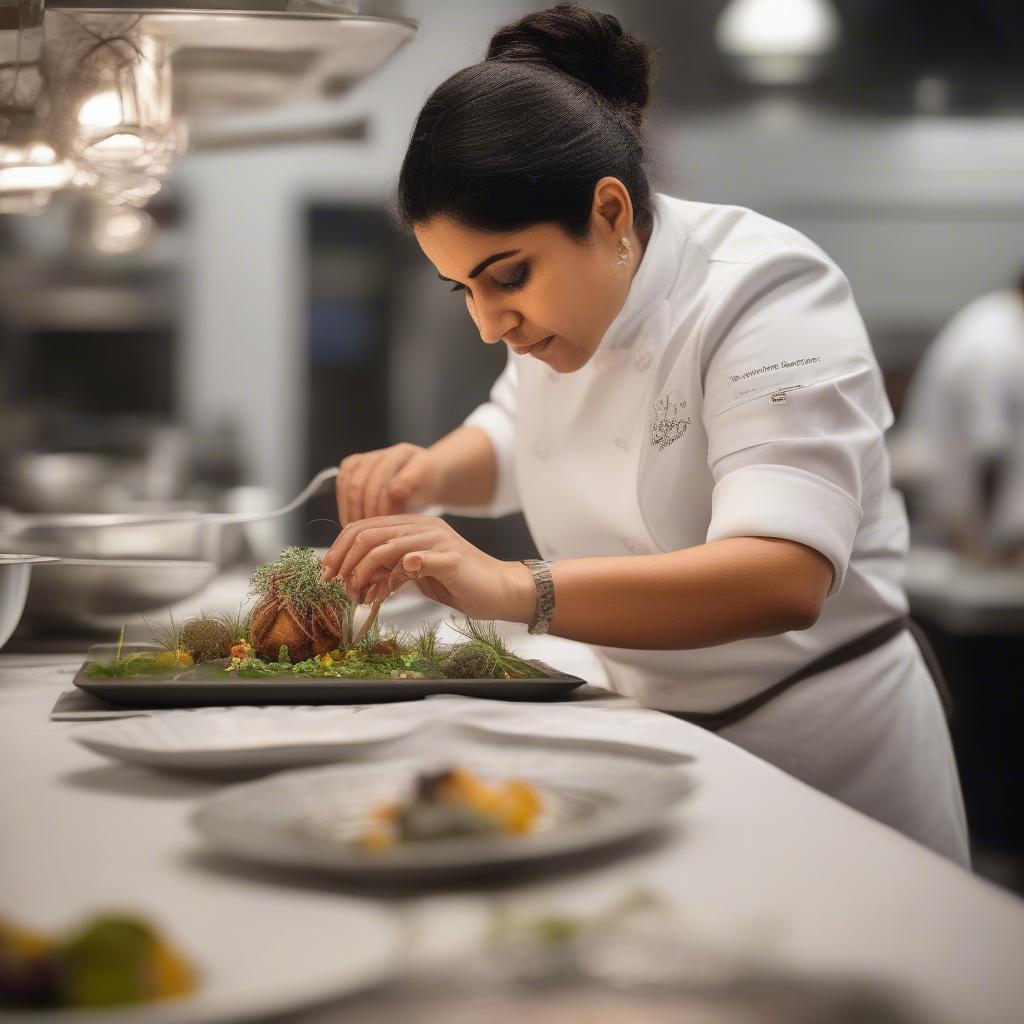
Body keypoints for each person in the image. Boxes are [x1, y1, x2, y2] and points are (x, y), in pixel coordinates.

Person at [320, 4, 968, 866]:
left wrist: (517, 588)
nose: (487, 324)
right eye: (461, 290)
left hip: (825, 755)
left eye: (505, 276)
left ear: (612, 212)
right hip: (651, 733)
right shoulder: (569, 311)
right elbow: (525, 435)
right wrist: (426, 475)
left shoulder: (765, 292)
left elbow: (783, 575)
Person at [896, 273, 1024, 561]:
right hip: (964, 518)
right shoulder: (994, 344)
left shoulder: (997, 316)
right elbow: (989, 449)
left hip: (969, 511)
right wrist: (985, 543)